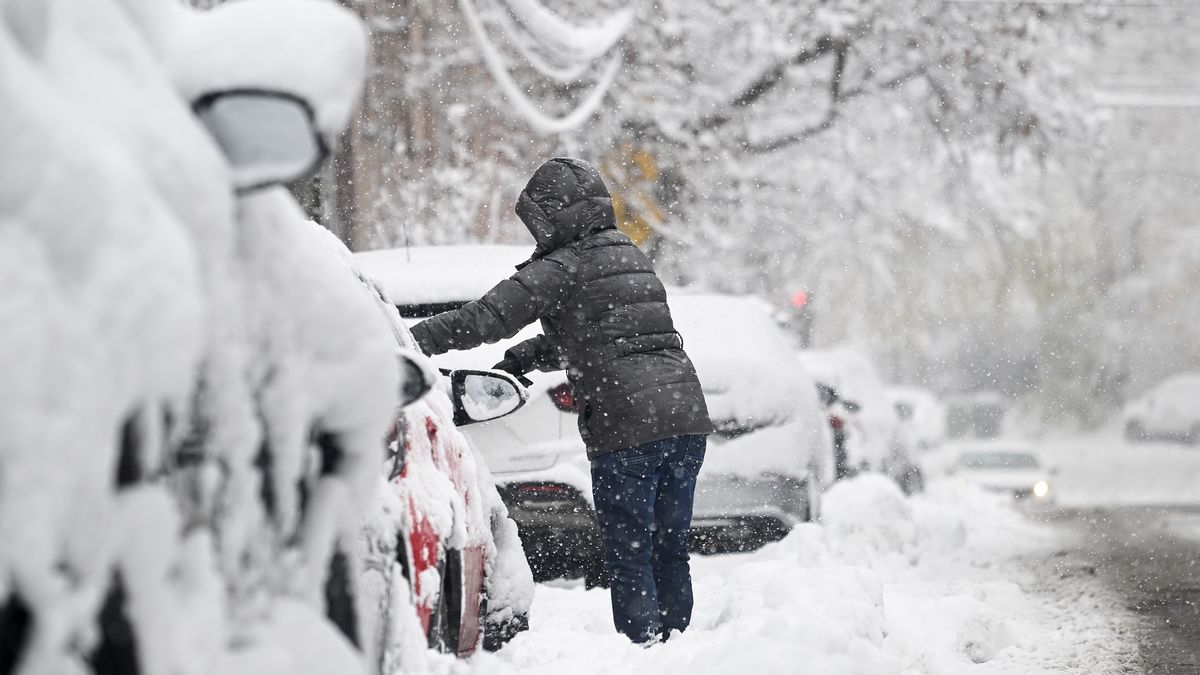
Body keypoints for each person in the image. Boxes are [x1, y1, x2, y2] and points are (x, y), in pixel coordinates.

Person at [409, 157, 712, 644]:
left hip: (629, 425)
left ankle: (645, 649)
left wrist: (409, 340)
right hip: (684, 416)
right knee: (668, 545)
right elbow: (602, 334)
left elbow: (486, 317)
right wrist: (525, 356)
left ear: (552, 213)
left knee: (629, 550)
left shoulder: (563, 265)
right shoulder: (628, 253)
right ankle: (677, 642)